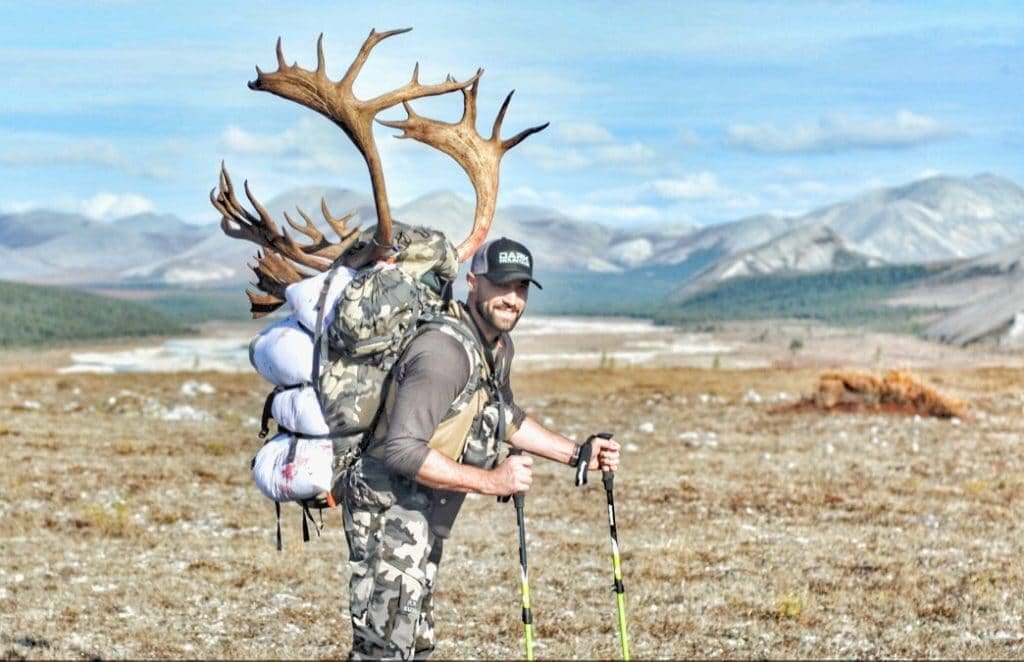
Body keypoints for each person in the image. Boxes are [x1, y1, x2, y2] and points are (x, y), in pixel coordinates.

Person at [340, 236, 621, 659]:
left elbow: (504, 415)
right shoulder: (443, 353)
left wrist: (577, 453)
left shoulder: (495, 347)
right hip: (388, 511)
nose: (512, 298)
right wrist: (492, 481)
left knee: (416, 643)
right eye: (501, 284)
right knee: (384, 651)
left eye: (521, 287)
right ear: (473, 283)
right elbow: (402, 450)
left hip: (421, 512)